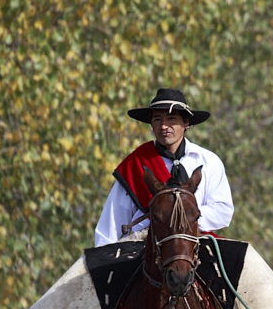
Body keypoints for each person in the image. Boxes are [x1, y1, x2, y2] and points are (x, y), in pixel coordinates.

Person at [95, 88, 233, 247]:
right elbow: (111, 224)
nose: (163, 126)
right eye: (157, 119)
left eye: (171, 118)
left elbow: (223, 211)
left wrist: (181, 220)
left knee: (248, 262)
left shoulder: (209, 161)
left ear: (186, 123)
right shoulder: (136, 164)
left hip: (197, 241)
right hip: (144, 245)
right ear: (152, 125)